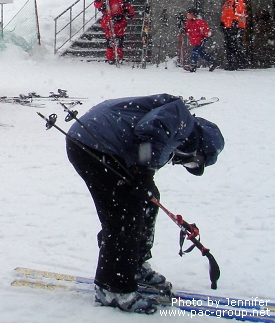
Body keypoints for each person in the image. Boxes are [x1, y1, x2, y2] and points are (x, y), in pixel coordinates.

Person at [65, 94, 224, 314]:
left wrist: (144, 176)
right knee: (124, 216)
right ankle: (113, 287)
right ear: (200, 145)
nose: (183, 162)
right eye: (193, 161)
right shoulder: (182, 119)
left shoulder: (177, 134)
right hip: (93, 144)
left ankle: (134, 264)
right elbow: (149, 132)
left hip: (104, 146)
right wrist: (144, 173)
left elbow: (147, 149)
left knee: (147, 201)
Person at [94, 0, 135, 64]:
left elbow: (127, 5)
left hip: (120, 20)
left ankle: (119, 57)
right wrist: (102, 5)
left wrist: (130, 13)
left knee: (120, 40)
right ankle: (111, 58)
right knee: (110, 41)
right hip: (109, 20)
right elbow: (96, 4)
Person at [220, 0, 247, 71]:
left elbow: (239, 11)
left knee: (234, 44)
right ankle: (231, 62)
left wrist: (235, 22)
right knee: (229, 44)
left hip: (234, 25)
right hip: (228, 25)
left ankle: (237, 62)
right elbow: (226, 12)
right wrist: (222, 23)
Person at [183, 8, 216, 72]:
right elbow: (187, 29)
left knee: (195, 52)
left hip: (200, 40)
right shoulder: (189, 22)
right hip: (195, 41)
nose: (187, 15)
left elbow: (205, 30)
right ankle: (213, 61)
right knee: (202, 53)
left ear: (193, 15)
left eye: (188, 14)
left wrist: (206, 36)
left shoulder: (200, 22)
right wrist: (184, 30)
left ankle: (193, 65)